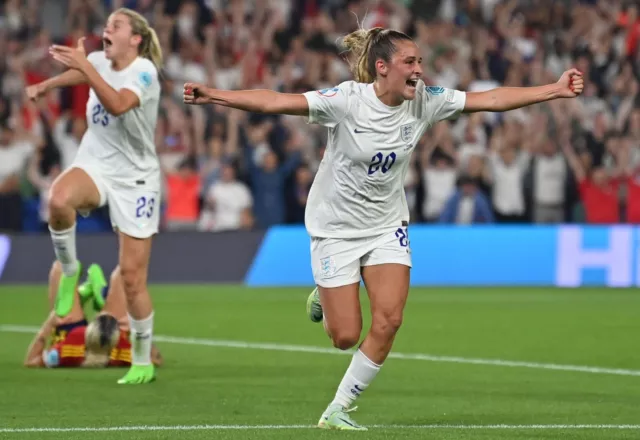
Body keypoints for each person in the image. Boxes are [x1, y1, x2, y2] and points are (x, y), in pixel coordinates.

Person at [183, 27, 584, 430]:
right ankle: (325, 293)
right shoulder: (345, 101)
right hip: (336, 228)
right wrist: (216, 95)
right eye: (410, 63)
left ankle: (337, 408)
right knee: (344, 336)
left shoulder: (425, 101)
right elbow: (275, 102)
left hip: (386, 224)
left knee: (390, 320)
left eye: (421, 62)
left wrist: (553, 89)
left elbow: (491, 100)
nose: (419, 71)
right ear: (382, 67)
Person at [25, 8, 163, 384]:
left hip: (136, 179)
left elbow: (117, 104)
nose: (107, 29)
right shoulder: (99, 60)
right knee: (58, 199)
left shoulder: (145, 72)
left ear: (134, 38)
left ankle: (141, 359)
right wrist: (47, 86)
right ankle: (70, 271)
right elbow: (83, 71)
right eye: (107, 24)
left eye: (115, 26)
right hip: (96, 163)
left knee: (133, 278)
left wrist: (86, 68)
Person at [24, 262, 163, 369]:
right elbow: (156, 359)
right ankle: (97, 295)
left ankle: (83, 293)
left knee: (60, 268)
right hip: (104, 330)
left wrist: (49, 324)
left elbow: (31, 361)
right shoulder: (125, 353)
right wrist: (136, 328)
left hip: (69, 331)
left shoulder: (64, 353)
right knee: (122, 273)